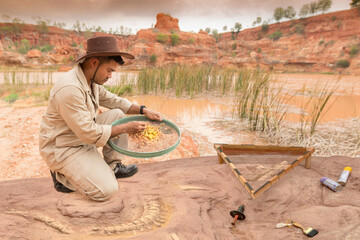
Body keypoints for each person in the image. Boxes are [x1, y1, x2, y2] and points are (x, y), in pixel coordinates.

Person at [39, 36, 162, 201]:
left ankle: (113, 166)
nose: (110, 76)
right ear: (94, 62)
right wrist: (126, 128)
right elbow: (89, 134)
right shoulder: (70, 88)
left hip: (81, 136)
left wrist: (143, 110)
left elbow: (114, 101)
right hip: (64, 147)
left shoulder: (91, 80)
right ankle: (62, 177)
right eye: (109, 70)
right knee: (106, 190)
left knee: (118, 114)